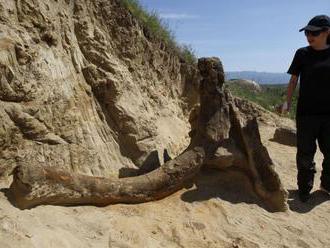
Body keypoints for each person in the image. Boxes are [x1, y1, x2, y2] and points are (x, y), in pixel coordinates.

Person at [284, 15, 330, 202]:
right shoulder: (302, 53)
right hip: (306, 114)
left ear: (327, 32)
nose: (309, 36)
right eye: (307, 32)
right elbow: (293, 80)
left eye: (314, 32)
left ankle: (327, 185)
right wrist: (287, 102)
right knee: (305, 153)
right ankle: (304, 189)